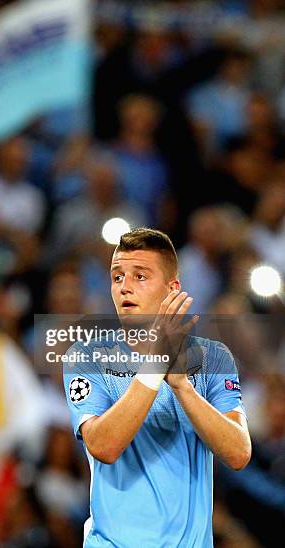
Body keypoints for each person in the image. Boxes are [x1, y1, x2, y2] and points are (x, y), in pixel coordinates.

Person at [62, 227, 251, 547]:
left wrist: (182, 387)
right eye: (117, 276)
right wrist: (156, 365)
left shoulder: (212, 358)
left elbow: (238, 453)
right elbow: (103, 446)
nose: (124, 287)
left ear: (172, 288)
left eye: (140, 276)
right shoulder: (86, 355)